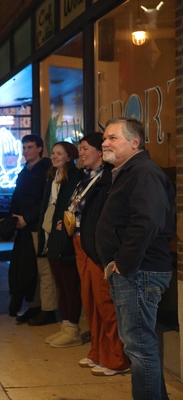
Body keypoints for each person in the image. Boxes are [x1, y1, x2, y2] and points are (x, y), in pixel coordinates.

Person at [96, 118, 175, 399]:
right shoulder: (128, 171)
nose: (104, 143)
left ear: (134, 142)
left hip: (139, 272)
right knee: (139, 347)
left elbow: (147, 221)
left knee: (140, 348)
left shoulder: (143, 172)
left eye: (112, 138)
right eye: (105, 138)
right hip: (134, 272)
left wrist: (123, 264)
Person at [70, 133, 129, 375]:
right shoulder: (84, 178)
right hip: (80, 242)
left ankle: (116, 358)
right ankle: (97, 351)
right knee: (91, 302)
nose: (81, 153)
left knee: (106, 303)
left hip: (96, 247)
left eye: (85, 148)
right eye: (80, 149)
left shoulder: (108, 178)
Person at [37, 141, 83, 347]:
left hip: (64, 238)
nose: (54, 156)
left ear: (69, 156)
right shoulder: (51, 177)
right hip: (50, 237)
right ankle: (65, 326)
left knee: (69, 284)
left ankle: (72, 329)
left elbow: (75, 207)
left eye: (59, 153)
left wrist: (66, 226)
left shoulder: (74, 176)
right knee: (60, 285)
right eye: (53, 153)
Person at [7, 135, 52, 321]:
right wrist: (14, 218)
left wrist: (27, 218)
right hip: (23, 227)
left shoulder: (47, 171)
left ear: (40, 148)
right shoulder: (24, 172)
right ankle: (35, 305)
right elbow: (17, 197)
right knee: (26, 270)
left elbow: (46, 199)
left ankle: (47, 309)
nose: (26, 151)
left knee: (42, 269)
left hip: (37, 227)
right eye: (24, 147)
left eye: (30, 147)